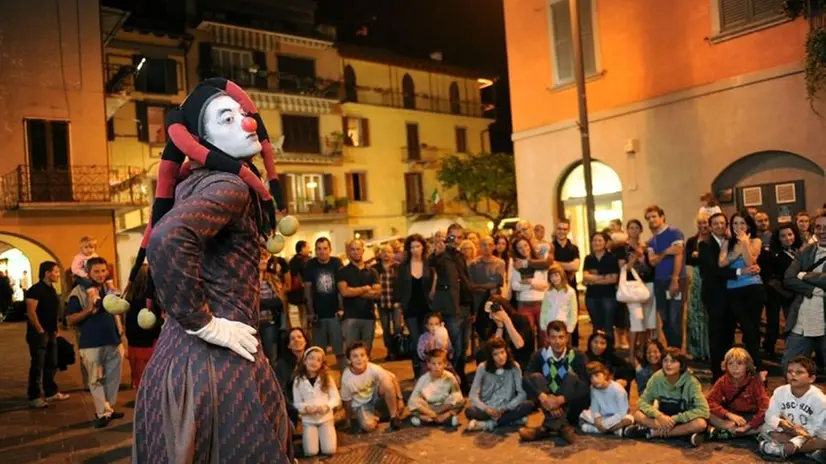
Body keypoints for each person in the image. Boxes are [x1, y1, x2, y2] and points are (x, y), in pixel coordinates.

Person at [129, 78, 293, 461]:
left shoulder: (194, 184)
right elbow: (168, 238)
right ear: (201, 141)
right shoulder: (228, 187)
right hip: (215, 370)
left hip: (177, 363)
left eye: (242, 114)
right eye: (226, 119)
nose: (247, 123)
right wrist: (205, 323)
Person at [699, 212, 759, 381]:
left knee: (729, 336)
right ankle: (717, 376)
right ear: (710, 227)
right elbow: (714, 270)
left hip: (733, 296)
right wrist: (741, 271)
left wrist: (753, 268)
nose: (719, 226)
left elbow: (746, 258)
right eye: (715, 224)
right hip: (715, 297)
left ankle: (729, 373)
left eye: (722, 223)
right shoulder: (705, 244)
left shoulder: (731, 241)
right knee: (716, 337)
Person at [66, 257, 124, 428]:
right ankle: (102, 412)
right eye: (96, 271)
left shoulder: (109, 289)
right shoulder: (79, 292)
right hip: (91, 343)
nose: (101, 275)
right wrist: (88, 310)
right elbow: (70, 319)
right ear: (88, 273)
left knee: (113, 377)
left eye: (103, 271)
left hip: (113, 340)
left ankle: (108, 407)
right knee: (95, 379)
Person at [518, 321, 589, 444]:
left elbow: (585, 385)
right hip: (547, 404)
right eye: (553, 337)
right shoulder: (539, 355)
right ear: (547, 338)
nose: (558, 341)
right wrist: (542, 396)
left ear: (567, 337)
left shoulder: (578, 355)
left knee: (571, 377)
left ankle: (545, 428)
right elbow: (525, 379)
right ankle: (563, 427)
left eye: (561, 337)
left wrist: (561, 399)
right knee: (535, 377)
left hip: (571, 404)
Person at [624, 348, 709, 446]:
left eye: (673, 361)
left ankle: (655, 433)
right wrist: (659, 415)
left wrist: (675, 419)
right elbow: (642, 401)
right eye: (665, 361)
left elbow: (704, 410)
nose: (668, 364)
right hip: (662, 420)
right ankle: (681, 435)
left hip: (683, 420)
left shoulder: (691, 382)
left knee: (700, 424)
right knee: (638, 415)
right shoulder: (657, 377)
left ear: (681, 365)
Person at [719, 211, 766, 376]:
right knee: (746, 327)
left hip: (753, 288)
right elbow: (722, 262)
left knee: (752, 329)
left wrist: (745, 243)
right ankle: (757, 367)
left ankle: (757, 368)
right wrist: (738, 248)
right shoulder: (727, 242)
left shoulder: (756, 241)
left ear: (748, 225)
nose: (739, 227)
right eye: (735, 224)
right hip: (733, 290)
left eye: (742, 224)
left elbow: (750, 262)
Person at [429, 224, 473, 389]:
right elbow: (431, 262)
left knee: (464, 347)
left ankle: (459, 377)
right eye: (453, 237)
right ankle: (455, 381)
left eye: (460, 237)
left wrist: (472, 307)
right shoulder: (442, 254)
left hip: (465, 306)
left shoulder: (460, 255)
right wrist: (437, 252)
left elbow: (466, 281)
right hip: (452, 308)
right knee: (455, 347)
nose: (456, 240)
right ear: (447, 237)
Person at [781, 212, 826, 372]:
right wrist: (813, 289)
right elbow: (789, 278)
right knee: (789, 369)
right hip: (802, 322)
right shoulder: (805, 252)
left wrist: (805, 275)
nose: (822, 231)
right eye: (819, 227)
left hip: (824, 320)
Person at [758, 356, 826, 460]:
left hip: (810, 434)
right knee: (765, 428)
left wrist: (803, 434)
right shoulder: (780, 391)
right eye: (790, 371)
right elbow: (770, 415)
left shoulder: (819, 398)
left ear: (811, 378)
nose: (793, 375)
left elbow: (819, 426)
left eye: (799, 372)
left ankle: (781, 449)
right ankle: (807, 451)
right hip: (789, 431)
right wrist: (781, 423)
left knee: (823, 440)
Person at [25, 261, 69, 408]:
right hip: (39, 334)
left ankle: (50, 392)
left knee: (51, 363)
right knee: (38, 364)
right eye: (55, 272)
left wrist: (56, 328)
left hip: (51, 332)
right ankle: (34, 396)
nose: (57, 274)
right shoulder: (35, 290)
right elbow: (31, 311)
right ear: (47, 273)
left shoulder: (51, 289)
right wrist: (40, 330)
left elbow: (53, 310)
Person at [465, 337, 532, 432]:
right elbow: (472, 395)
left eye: (502, 352)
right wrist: (487, 409)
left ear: (507, 352)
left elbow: (522, 393)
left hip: (507, 408)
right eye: (495, 354)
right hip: (488, 408)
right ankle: (512, 420)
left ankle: (489, 424)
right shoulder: (482, 368)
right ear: (490, 356)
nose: (500, 357)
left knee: (528, 405)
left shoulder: (514, 367)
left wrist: (506, 407)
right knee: (470, 411)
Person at [645, 206, 686, 350]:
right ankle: (670, 349)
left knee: (675, 317)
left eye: (654, 216)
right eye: (648, 218)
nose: (651, 220)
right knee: (664, 317)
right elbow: (653, 261)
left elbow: (679, 254)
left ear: (662, 217)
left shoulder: (674, 233)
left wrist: (674, 279)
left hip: (675, 280)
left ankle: (677, 352)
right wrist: (667, 251)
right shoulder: (651, 241)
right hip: (659, 282)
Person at [705, 347, 769, 441]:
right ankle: (743, 433)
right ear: (726, 366)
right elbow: (710, 401)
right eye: (730, 364)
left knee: (771, 423)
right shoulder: (724, 380)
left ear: (747, 366)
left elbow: (765, 407)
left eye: (739, 363)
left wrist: (749, 425)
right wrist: (728, 414)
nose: (735, 368)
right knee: (705, 413)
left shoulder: (754, 381)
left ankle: (725, 434)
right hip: (732, 417)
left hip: (752, 417)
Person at [340, 342, 404, 433]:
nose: (359, 359)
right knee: (368, 426)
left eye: (362, 355)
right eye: (355, 356)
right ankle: (375, 415)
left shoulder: (373, 368)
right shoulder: (346, 378)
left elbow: (392, 377)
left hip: (374, 396)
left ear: (367, 357)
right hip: (361, 405)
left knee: (387, 383)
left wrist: (400, 399)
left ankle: (394, 417)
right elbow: (346, 401)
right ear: (349, 360)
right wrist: (348, 419)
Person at [395, 234, 434, 375]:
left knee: (428, 340)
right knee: (416, 339)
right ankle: (418, 370)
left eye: (418, 246)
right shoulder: (403, 267)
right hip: (410, 307)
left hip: (427, 307)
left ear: (423, 247)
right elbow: (398, 288)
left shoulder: (429, 264)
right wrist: (399, 309)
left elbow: (434, 283)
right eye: (412, 247)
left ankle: (429, 370)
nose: (415, 249)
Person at [305, 237, 345, 370]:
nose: (322, 252)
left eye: (325, 248)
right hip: (318, 315)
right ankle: (322, 382)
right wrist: (310, 312)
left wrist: (341, 308)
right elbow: (307, 290)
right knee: (319, 353)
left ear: (330, 249)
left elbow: (341, 287)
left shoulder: (336, 263)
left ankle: (345, 382)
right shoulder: (310, 265)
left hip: (335, 314)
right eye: (319, 249)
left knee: (340, 351)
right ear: (315, 250)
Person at [762, 222, 802, 359]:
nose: (787, 238)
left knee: (792, 322)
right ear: (778, 238)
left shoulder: (799, 251)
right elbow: (767, 275)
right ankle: (769, 349)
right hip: (775, 292)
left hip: (793, 293)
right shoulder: (772, 254)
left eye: (790, 234)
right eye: (783, 236)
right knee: (773, 323)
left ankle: (793, 349)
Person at [293, 346, 340, 457]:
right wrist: (305, 407)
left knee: (329, 450)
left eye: (318, 360)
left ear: (322, 364)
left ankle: (322, 437)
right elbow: (297, 402)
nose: (314, 362)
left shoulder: (327, 378)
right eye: (311, 358)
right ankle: (312, 439)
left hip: (325, 418)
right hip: (309, 420)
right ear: (305, 360)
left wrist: (327, 406)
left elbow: (336, 398)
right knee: (310, 452)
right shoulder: (298, 380)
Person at [337, 239, 381, 355]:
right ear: (348, 252)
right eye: (352, 249)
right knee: (351, 353)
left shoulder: (372, 272)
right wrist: (365, 289)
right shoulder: (342, 272)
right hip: (350, 317)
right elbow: (344, 292)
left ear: (363, 250)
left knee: (366, 353)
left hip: (368, 317)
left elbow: (377, 294)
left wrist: (354, 291)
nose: (355, 252)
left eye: (358, 249)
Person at [124, 264, 161, 390]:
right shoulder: (153, 299)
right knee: (153, 376)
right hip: (151, 343)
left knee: (139, 375)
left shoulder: (129, 298)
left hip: (134, 343)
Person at [408, 349, 464, 428]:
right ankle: (441, 418)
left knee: (458, 398)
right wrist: (430, 412)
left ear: (445, 364)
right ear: (428, 364)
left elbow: (457, 395)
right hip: (428, 407)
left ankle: (427, 419)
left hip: (444, 407)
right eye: (433, 364)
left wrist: (438, 411)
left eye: (439, 363)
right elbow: (414, 398)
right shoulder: (423, 379)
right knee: (412, 402)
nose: (436, 367)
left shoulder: (450, 377)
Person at [468, 236, 506, 350]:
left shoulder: (499, 263)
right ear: (479, 247)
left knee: (496, 329)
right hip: (478, 302)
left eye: (490, 245)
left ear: (494, 246)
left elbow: (497, 283)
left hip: (494, 299)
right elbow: (471, 285)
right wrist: (487, 284)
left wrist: (479, 285)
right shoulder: (473, 264)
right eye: (484, 244)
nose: (487, 247)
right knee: (480, 331)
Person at [477, 296, 534, 370]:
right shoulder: (493, 323)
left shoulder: (520, 320)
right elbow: (495, 347)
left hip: (520, 357)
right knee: (481, 355)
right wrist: (500, 327)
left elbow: (519, 344)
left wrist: (506, 320)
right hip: (501, 358)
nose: (492, 315)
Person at [509, 235, 547, 343]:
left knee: (544, 335)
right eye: (520, 248)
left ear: (530, 245)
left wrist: (528, 281)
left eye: (525, 245)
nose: (524, 249)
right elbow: (515, 286)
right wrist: (533, 285)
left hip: (542, 302)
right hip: (524, 303)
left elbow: (545, 284)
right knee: (527, 335)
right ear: (516, 250)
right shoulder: (516, 265)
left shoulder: (539, 262)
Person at [582, 232, 620, 343]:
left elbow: (613, 279)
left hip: (608, 296)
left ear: (605, 242)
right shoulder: (589, 258)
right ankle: (596, 352)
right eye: (594, 240)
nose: (597, 243)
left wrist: (593, 279)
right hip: (591, 296)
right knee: (596, 326)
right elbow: (585, 277)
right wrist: (604, 277)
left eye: (600, 240)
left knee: (608, 326)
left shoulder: (612, 258)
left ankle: (609, 352)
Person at [578, 361, 633, 436]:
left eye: (597, 375)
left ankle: (598, 430)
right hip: (602, 416)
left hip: (617, 416)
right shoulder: (593, 389)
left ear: (604, 374)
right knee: (582, 416)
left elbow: (622, 412)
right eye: (591, 377)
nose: (594, 380)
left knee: (628, 419)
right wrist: (597, 418)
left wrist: (605, 424)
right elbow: (594, 406)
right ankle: (614, 431)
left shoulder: (618, 390)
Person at [685, 213, 711, 360]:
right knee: (695, 314)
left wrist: (700, 256)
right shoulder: (692, 241)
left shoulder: (714, 240)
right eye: (700, 223)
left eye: (705, 223)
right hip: (697, 279)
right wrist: (696, 256)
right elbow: (687, 259)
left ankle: (709, 349)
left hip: (711, 279)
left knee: (708, 314)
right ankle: (696, 350)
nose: (702, 226)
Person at [552, 219, 581, 347]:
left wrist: (556, 264)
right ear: (555, 229)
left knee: (572, 318)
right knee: (556, 318)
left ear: (568, 230)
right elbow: (549, 266)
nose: (562, 231)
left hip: (571, 287)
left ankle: (574, 348)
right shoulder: (550, 247)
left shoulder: (573, 248)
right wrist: (567, 266)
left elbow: (575, 266)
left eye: (565, 229)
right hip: (554, 289)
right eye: (559, 228)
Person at [275, 327, 309, 425]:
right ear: (288, 345)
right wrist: (295, 409)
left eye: (299, 337)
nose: (297, 340)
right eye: (292, 339)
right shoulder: (282, 364)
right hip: (291, 406)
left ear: (305, 341)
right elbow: (281, 391)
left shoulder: (314, 358)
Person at [374, 245, 402, 360]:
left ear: (393, 254)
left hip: (395, 302)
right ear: (380, 254)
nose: (386, 254)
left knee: (397, 327)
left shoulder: (398, 267)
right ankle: (390, 351)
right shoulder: (375, 268)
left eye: (389, 252)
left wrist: (399, 300)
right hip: (382, 302)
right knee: (385, 328)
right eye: (384, 252)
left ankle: (398, 349)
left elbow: (402, 285)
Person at [259, 249, 285, 368]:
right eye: (260, 258)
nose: (263, 261)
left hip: (270, 322)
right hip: (252, 323)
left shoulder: (272, 278)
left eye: (265, 258)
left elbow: (279, 302)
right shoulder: (247, 279)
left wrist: (261, 304)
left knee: (272, 358)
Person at [540, 263, 577, 336]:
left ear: (562, 276)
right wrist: (543, 326)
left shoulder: (570, 292)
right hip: (550, 325)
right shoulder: (548, 292)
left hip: (564, 325)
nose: (554, 279)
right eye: (551, 276)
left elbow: (573, 312)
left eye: (556, 275)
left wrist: (570, 328)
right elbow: (544, 310)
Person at [417, 312, 454, 377]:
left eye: (436, 324)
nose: (434, 327)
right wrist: (426, 350)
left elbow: (450, 349)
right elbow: (420, 353)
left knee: (454, 378)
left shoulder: (444, 336)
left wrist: (446, 350)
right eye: (431, 324)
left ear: (440, 325)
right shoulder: (423, 337)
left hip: (443, 363)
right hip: (429, 365)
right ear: (427, 326)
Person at [288, 240, 311, 330]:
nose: (309, 249)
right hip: (303, 291)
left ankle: (303, 329)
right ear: (302, 249)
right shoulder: (306, 261)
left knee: (301, 312)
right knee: (305, 312)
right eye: (307, 247)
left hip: (296, 292)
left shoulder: (292, 261)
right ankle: (305, 331)